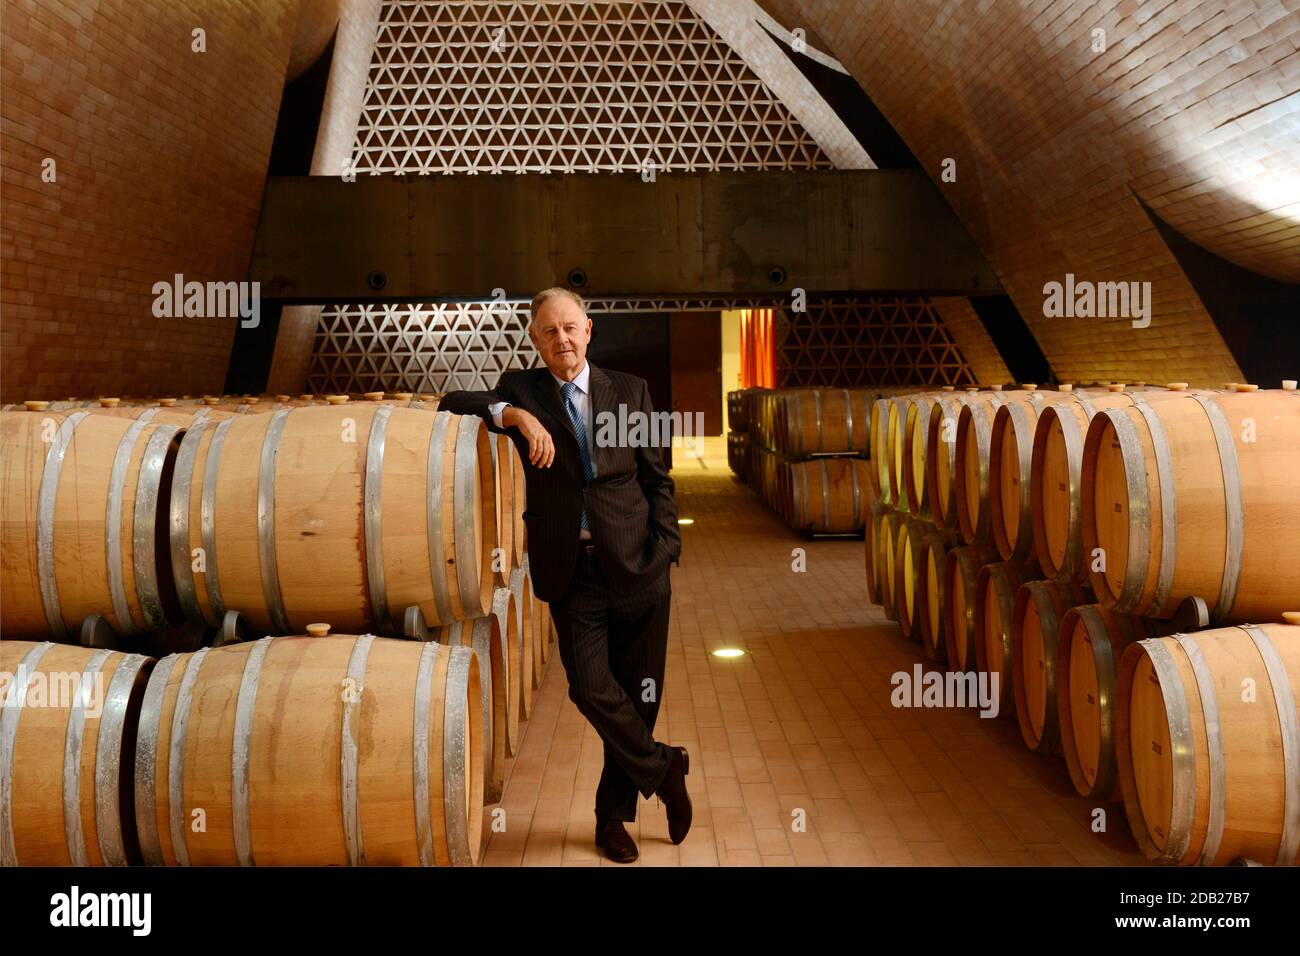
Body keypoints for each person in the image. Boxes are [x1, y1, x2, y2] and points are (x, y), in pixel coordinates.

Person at [439, 286, 691, 862]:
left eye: (571, 328)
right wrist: (517, 417)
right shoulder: (520, 389)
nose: (563, 340)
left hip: (639, 568)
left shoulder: (630, 391)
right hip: (572, 572)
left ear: (589, 330)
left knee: (638, 700)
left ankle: (610, 820)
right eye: (549, 331)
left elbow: (659, 480)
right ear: (535, 340)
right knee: (592, 689)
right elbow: (452, 401)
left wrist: (665, 548)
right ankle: (664, 768)